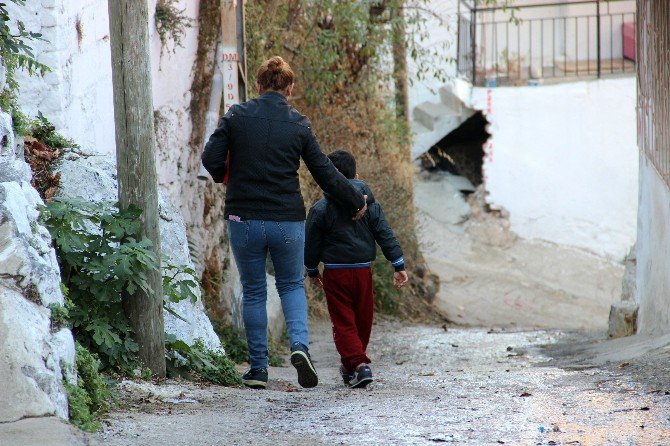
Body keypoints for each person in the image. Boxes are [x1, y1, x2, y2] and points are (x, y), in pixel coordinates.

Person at [201, 57, 368, 389]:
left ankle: (259, 369)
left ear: (259, 86)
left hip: (243, 217)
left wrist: (225, 177)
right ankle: (299, 347)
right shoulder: (299, 125)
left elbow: (210, 158)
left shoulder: (235, 116)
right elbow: (325, 173)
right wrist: (355, 201)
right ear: (290, 88)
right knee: (291, 285)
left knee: (253, 290)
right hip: (287, 221)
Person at [304, 150, 409, 388]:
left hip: (335, 272)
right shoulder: (370, 205)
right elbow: (384, 233)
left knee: (343, 321)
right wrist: (398, 264)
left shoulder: (321, 209)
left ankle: (358, 365)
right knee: (363, 319)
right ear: (357, 174)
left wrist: (312, 269)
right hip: (363, 271)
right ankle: (355, 364)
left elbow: (312, 243)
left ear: (328, 177)